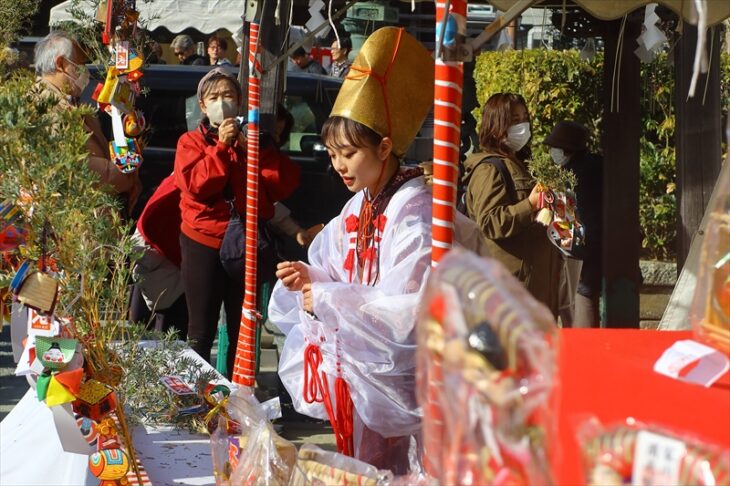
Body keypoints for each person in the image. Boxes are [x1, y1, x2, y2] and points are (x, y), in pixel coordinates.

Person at [269, 27, 487, 473]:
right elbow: (331, 264)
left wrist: (326, 297)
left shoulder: (415, 214)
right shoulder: (358, 205)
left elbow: (407, 312)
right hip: (368, 376)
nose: (339, 166)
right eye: (332, 155)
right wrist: (310, 280)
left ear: (385, 147)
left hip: (411, 382)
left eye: (347, 153)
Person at [174, 68, 300, 373]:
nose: (222, 103)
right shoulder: (190, 142)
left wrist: (253, 150)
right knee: (200, 331)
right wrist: (221, 147)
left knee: (243, 325)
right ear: (203, 106)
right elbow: (197, 185)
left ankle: (238, 399)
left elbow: (283, 184)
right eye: (214, 97)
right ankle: (199, 401)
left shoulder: (257, 141)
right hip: (202, 240)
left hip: (244, 242)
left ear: (240, 102)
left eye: (228, 96)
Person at [462, 93, 561, 316]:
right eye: (515, 120)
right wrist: (530, 204)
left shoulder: (522, 164)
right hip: (509, 292)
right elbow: (490, 221)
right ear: (496, 126)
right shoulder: (489, 170)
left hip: (535, 289)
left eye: (525, 118)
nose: (523, 126)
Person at [33, 31, 141, 215]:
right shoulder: (46, 106)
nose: (86, 72)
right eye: (81, 64)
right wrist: (125, 171)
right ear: (61, 64)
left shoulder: (70, 102)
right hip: (73, 217)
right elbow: (79, 166)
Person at [545, 121, 603, 327]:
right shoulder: (595, 166)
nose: (552, 152)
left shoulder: (572, 177)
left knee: (581, 310)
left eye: (554, 147)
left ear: (567, 149)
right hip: (597, 254)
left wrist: (550, 229)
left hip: (581, 259)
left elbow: (575, 223)